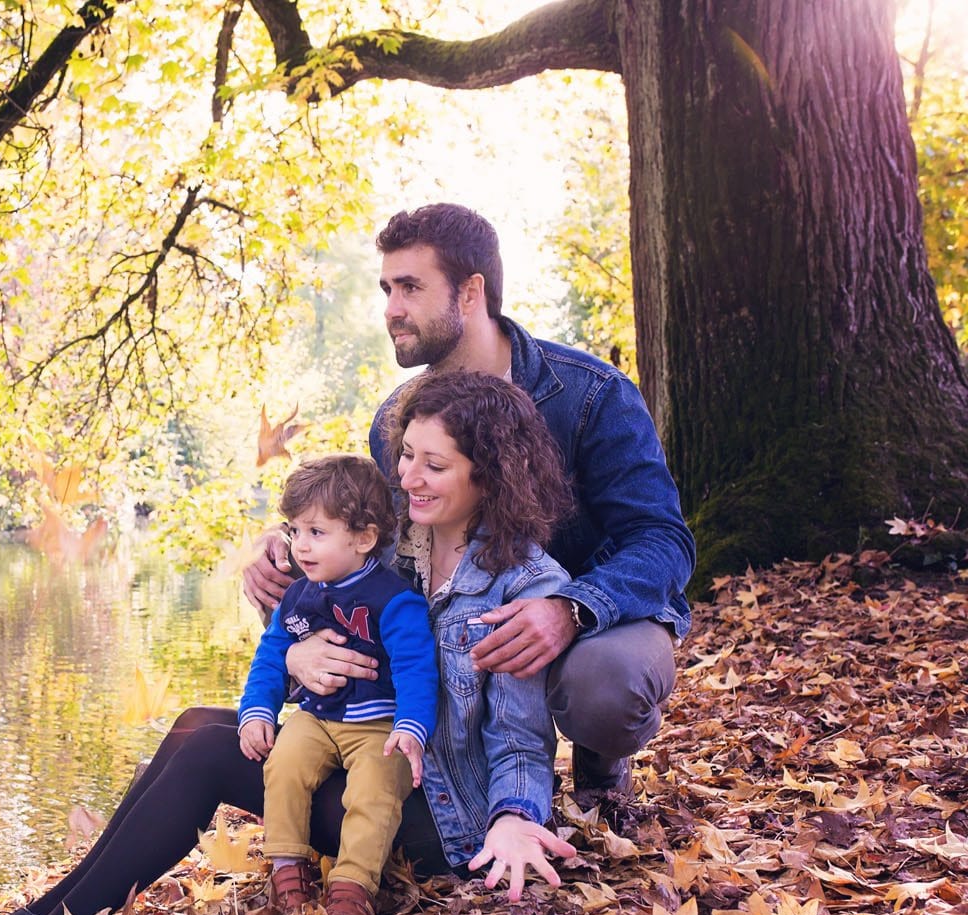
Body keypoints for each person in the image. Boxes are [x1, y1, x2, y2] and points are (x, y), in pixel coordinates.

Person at [0, 371, 578, 915]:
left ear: (488, 477)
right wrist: (296, 652)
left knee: (208, 754)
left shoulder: (522, 586)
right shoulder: (388, 542)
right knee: (196, 725)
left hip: (438, 815)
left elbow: (521, 739)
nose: (407, 476)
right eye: (407, 454)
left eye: (433, 466)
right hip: (356, 755)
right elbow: (310, 635)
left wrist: (516, 820)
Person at [244, 204, 695, 810]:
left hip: (595, 616)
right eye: (386, 288)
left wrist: (570, 608)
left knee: (602, 687)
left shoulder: (591, 395)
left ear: (470, 292)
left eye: (410, 287)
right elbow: (375, 533)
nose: (391, 309)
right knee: (302, 590)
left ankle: (600, 763)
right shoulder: (395, 418)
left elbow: (663, 540)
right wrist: (291, 541)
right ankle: (421, 768)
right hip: (469, 623)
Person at [236, 455, 436, 915]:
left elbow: (417, 670)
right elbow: (271, 656)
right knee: (283, 762)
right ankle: (287, 867)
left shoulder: (394, 600)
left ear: (364, 538)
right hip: (316, 718)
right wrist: (257, 712)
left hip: (379, 722)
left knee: (376, 786)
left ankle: (352, 885)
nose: (301, 547)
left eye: (317, 533)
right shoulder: (298, 594)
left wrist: (412, 727)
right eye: (295, 531)